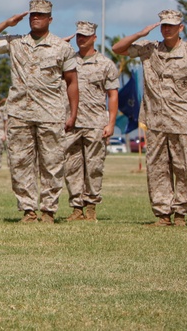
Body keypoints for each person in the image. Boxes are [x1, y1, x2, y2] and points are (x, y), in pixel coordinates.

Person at [0, 0, 79, 224]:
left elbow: (72, 82)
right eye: (33, 14)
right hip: (19, 113)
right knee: (20, 163)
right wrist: (6, 24)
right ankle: (29, 210)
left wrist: (72, 114)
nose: (36, 18)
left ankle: (49, 210)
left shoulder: (62, 48)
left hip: (50, 114)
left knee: (51, 163)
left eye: (41, 15)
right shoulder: (16, 42)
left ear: (50, 19)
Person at [112, 9, 187, 227]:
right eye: (164, 25)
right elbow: (118, 49)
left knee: (184, 167)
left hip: (183, 120)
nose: (167, 29)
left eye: (171, 26)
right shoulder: (149, 49)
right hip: (155, 120)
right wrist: (140, 33)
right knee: (157, 168)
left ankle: (181, 214)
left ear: (180, 28)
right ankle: (163, 214)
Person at [63, 21, 119, 222]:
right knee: (71, 166)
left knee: (94, 167)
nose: (81, 40)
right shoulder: (68, 61)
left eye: (85, 36)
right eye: (79, 36)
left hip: (95, 122)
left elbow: (112, 95)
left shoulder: (105, 64)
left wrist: (111, 123)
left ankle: (91, 207)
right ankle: (77, 207)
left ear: (94, 37)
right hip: (71, 122)